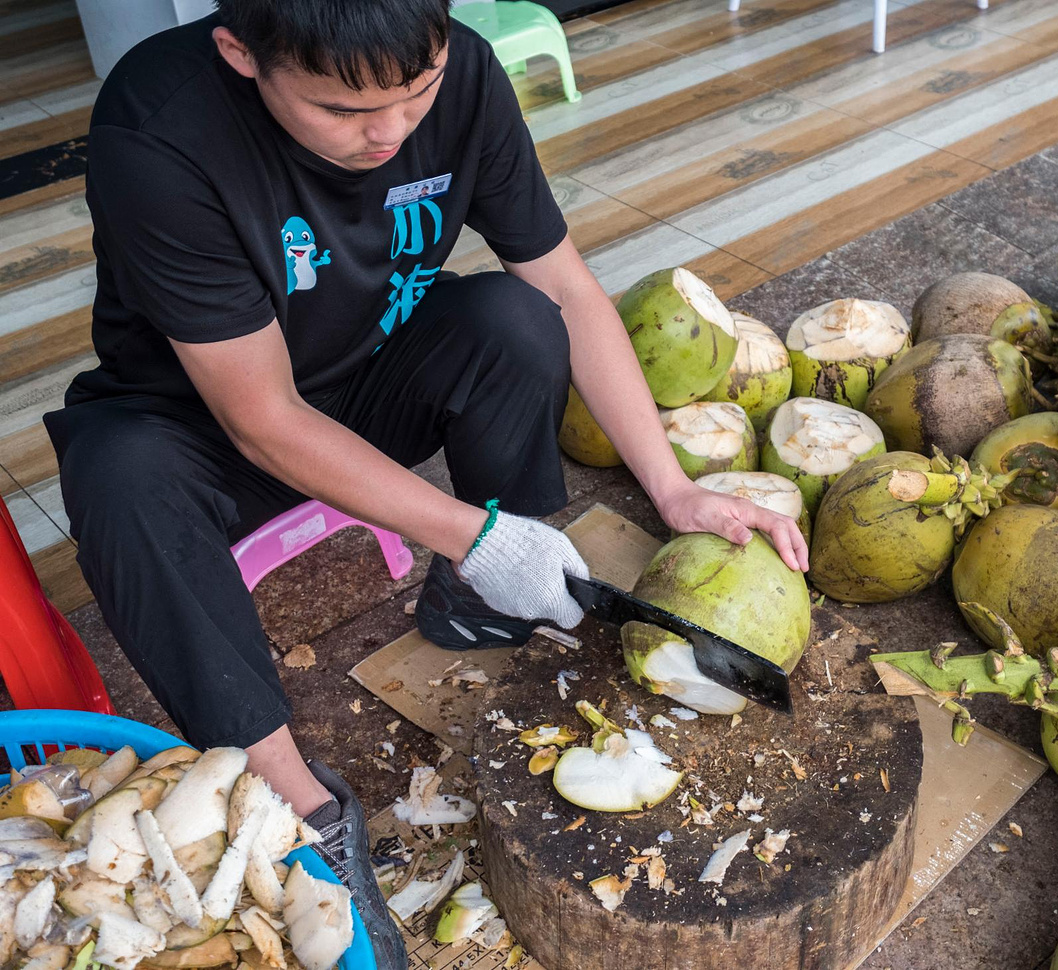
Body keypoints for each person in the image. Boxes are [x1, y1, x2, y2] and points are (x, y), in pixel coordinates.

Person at [45, 0, 808, 961]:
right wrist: (475, 529)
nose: (390, 134)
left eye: (417, 95)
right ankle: (297, 801)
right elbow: (265, 419)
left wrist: (673, 488)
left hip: (367, 375)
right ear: (241, 51)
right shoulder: (157, 132)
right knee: (117, 479)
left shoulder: (469, 72)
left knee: (515, 319)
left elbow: (569, 288)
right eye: (341, 110)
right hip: (207, 423)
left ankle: (480, 601)